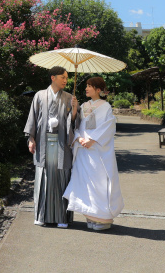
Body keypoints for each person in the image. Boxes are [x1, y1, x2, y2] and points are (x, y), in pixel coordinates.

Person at [63, 76, 124, 231]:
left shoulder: (106, 106)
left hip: (97, 149)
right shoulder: (84, 105)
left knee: (99, 182)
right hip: (84, 149)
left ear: (98, 90)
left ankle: (102, 218)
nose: (86, 89)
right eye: (86, 86)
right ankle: (90, 217)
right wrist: (75, 110)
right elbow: (78, 124)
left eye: (90, 86)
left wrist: (93, 140)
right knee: (85, 182)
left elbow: (108, 126)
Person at [24, 66, 78, 227]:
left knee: (62, 178)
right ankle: (41, 216)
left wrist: (74, 109)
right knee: (43, 178)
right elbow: (32, 118)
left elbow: (74, 122)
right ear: (53, 77)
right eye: (63, 77)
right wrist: (31, 139)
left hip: (62, 144)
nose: (66, 80)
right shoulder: (40, 95)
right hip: (43, 142)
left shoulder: (69, 97)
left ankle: (62, 218)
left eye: (67, 78)